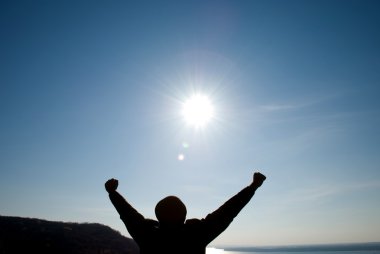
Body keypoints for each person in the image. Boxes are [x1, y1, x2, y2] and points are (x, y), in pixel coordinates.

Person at [105, 172, 266, 254]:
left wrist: (113, 193)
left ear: (157, 215)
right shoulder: (197, 235)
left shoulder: (147, 235)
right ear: (184, 216)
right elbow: (228, 211)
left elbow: (128, 214)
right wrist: (253, 187)